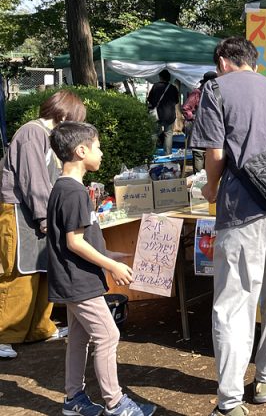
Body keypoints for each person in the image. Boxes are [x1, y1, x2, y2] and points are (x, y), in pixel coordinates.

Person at [190, 37, 266, 416]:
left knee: (235, 302)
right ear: (253, 61)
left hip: (243, 208)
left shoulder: (216, 89)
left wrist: (209, 185)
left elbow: (216, 153)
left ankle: (230, 402)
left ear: (222, 61)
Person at [47, 121, 157, 416]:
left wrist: (112, 253)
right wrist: (111, 265)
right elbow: (74, 242)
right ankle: (116, 403)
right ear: (81, 151)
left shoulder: (66, 189)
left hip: (74, 280)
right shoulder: (73, 193)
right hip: (79, 283)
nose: (102, 152)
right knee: (108, 335)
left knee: (79, 339)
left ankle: (73, 399)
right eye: (97, 146)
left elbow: (77, 240)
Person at [0, 90, 86, 360]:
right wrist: (45, 218)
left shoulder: (48, 137)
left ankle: (39, 328)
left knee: (41, 269)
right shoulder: (32, 132)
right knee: (18, 272)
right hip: (19, 211)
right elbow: (33, 180)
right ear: (62, 114)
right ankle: (4, 334)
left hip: (37, 212)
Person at [181, 71, 217, 172]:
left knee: (211, 154)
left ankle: (208, 180)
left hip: (213, 129)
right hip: (199, 128)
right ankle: (198, 180)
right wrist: (194, 117)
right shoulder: (197, 93)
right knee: (198, 153)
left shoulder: (217, 93)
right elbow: (185, 108)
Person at [147, 69, 180, 156]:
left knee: (154, 134)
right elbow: (176, 101)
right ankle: (168, 153)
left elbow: (149, 99)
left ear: (160, 77)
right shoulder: (173, 88)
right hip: (169, 115)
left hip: (156, 114)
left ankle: (151, 152)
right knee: (168, 134)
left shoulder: (155, 86)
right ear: (169, 78)